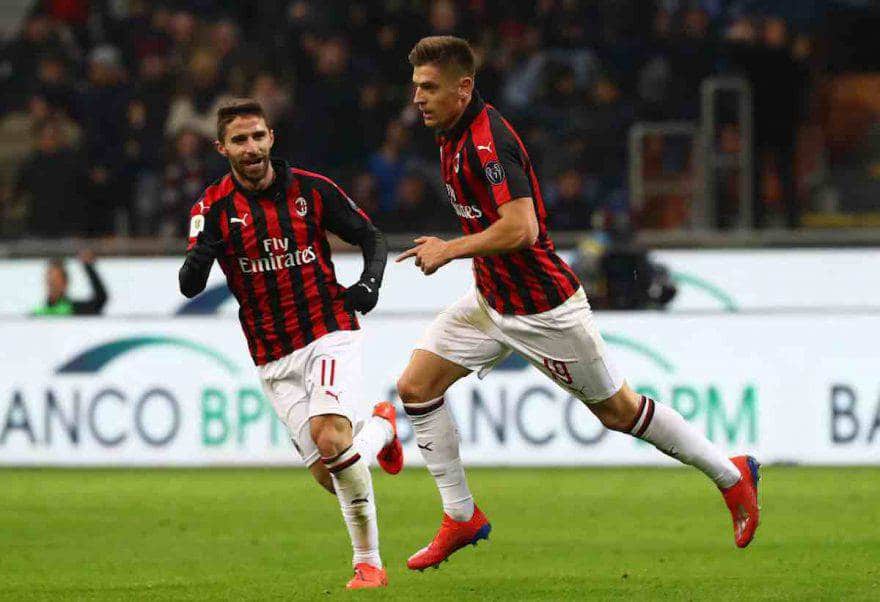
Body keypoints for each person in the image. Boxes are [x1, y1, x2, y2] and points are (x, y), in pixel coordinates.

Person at [394, 36, 761, 571]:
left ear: (464, 87)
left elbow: (523, 227)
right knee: (415, 387)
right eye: (415, 87)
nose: (417, 99)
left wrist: (451, 249)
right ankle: (462, 516)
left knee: (619, 411)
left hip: (544, 310)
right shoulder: (448, 135)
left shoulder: (486, 142)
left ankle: (733, 476)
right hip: (491, 301)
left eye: (428, 88)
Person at [177, 99, 402, 589]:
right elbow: (189, 285)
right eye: (240, 140)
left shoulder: (311, 190)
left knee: (330, 438)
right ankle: (380, 432)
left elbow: (372, 237)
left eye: (258, 136)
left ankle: (369, 564)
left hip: (328, 328)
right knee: (332, 472)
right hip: (272, 354)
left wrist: (370, 285)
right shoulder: (210, 208)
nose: (252, 147)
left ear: (271, 137)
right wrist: (207, 246)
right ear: (223, 148)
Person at [34, 250, 108, 316]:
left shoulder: (75, 309)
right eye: (50, 279)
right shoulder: (38, 313)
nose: (52, 283)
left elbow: (100, 300)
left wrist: (88, 266)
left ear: (65, 283)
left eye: (56, 279)